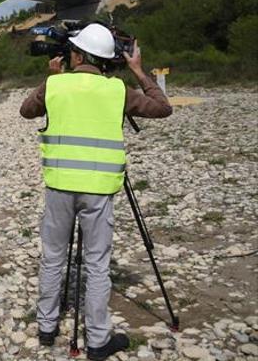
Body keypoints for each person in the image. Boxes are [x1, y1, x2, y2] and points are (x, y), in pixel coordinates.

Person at [19, 23, 172, 361]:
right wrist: (138, 70)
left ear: (75, 54)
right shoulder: (118, 90)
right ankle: (99, 340)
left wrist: (52, 78)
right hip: (100, 189)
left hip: (60, 186)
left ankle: (46, 327)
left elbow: (26, 111)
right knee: (97, 264)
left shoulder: (54, 85)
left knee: (53, 258)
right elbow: (162, 108)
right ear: (105, 59)